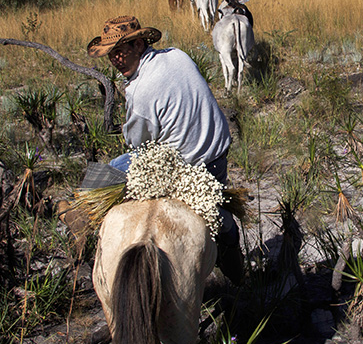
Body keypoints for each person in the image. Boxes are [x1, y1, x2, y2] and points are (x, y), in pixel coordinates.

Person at [86, 15, 244, 282]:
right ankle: (237, 272)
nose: (115, 60)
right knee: (221, 216)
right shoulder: (177, 55)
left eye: (119, 51)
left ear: (138, 45)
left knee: (109, 170)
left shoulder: (141, 89)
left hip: (187, 164)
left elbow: (138, 143)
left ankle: (83, 223)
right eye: (111, 54)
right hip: (217, 149)